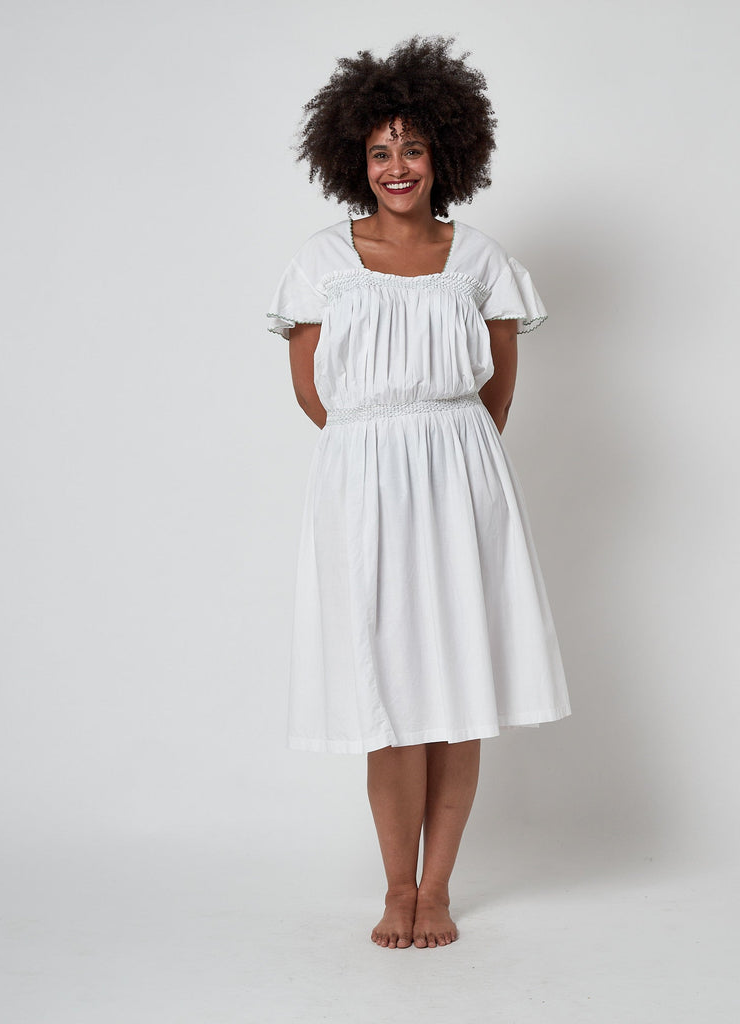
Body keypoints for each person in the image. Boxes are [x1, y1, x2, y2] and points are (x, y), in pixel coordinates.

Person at [266, 36, 571, 949]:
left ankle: (436, 891)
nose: (396, 166)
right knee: (387, 694)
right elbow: (313, 391)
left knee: (457, 689)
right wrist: (378, 457)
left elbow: (497, 391)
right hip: (362, 486)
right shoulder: (324, 259)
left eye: (412, 147)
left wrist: (446, 460)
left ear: (445, 152)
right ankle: (395, 887)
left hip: (461, 483)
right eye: (379, 151)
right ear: (353, 160)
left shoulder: (478, 258)